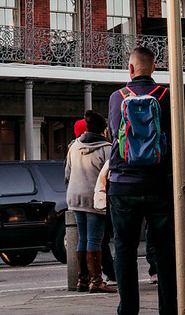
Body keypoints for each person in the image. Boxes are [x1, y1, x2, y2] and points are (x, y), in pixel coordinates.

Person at [108, 46, 176, 315]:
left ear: (131, 69)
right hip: (159, 183)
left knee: (124, 249)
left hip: (123, 184)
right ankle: (169, 308)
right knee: (163, 250)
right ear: (154, 68)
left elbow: (115, 133)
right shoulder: (165, 96)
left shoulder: (117, 97)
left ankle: (128, 310)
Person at [65, 110, 116, 294]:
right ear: (103, 130)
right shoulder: (107, 148)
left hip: (75, 197)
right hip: (94, 199)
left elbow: (67, 174)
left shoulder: (74, 146)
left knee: (83, 238)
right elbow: (111, 176)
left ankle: (83, 281)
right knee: (95, 239)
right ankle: (96, 281)